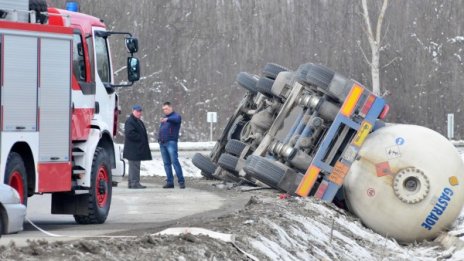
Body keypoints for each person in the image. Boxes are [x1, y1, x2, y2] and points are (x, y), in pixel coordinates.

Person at [123, 104, 152, 189]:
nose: (139, 113)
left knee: (134, 166)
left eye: (140, 111)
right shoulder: (130, 121)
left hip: (136, 148)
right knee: (134, 166)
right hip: (133, 149)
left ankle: (131, 183)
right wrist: (140, 138)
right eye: (137, 111)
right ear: (133, 111)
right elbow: (129, 133)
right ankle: (134, 183)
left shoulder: (138, 121)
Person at [158, 102, 185, 189]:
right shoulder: (165, 119)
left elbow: (176, 119)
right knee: (166, 163)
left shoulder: (176, 116)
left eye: (166, 108)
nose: (164, 111)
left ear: (170, 108)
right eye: (163, 109)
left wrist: (167, 119)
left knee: (175, 162)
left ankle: (181, 181)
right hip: (162, 143)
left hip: (171, 142)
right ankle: (170, 182)